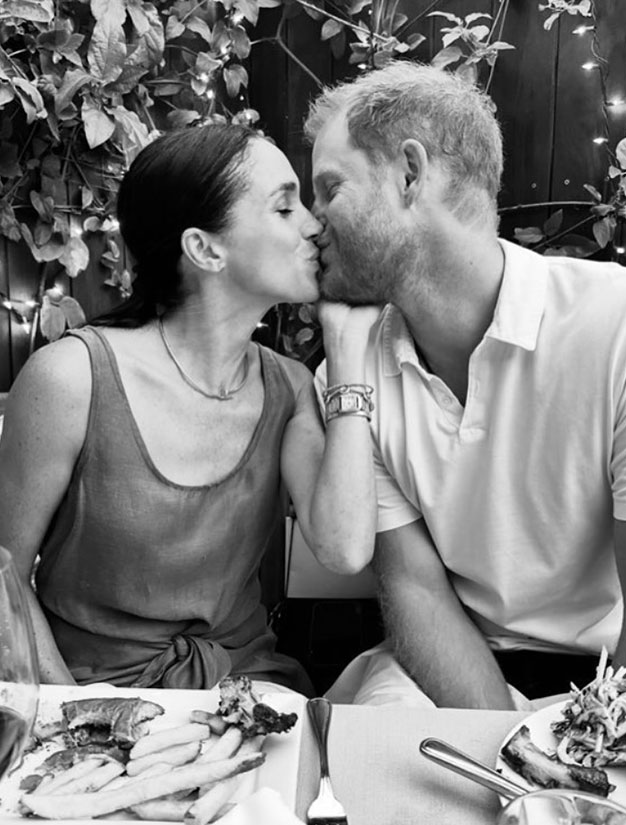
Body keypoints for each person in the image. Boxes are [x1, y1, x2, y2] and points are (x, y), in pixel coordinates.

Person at [306, 61, 626, 709]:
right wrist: (505, 745)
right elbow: (416, 590)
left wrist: (595, 756)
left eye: (329, 188)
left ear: (410, 174)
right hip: (453, 669)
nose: (311, 221)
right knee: (376, 739)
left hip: (620, 674)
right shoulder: (351, 373)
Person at [0, 123, 379, 693]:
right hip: (86, 699)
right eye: (284, 208)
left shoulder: (291, 387)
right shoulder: (71, 378)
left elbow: (344, 549)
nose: (313, 224)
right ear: (205, 249)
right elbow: (3, 577)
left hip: (245, 696)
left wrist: (347, 353)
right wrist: (74, 715)